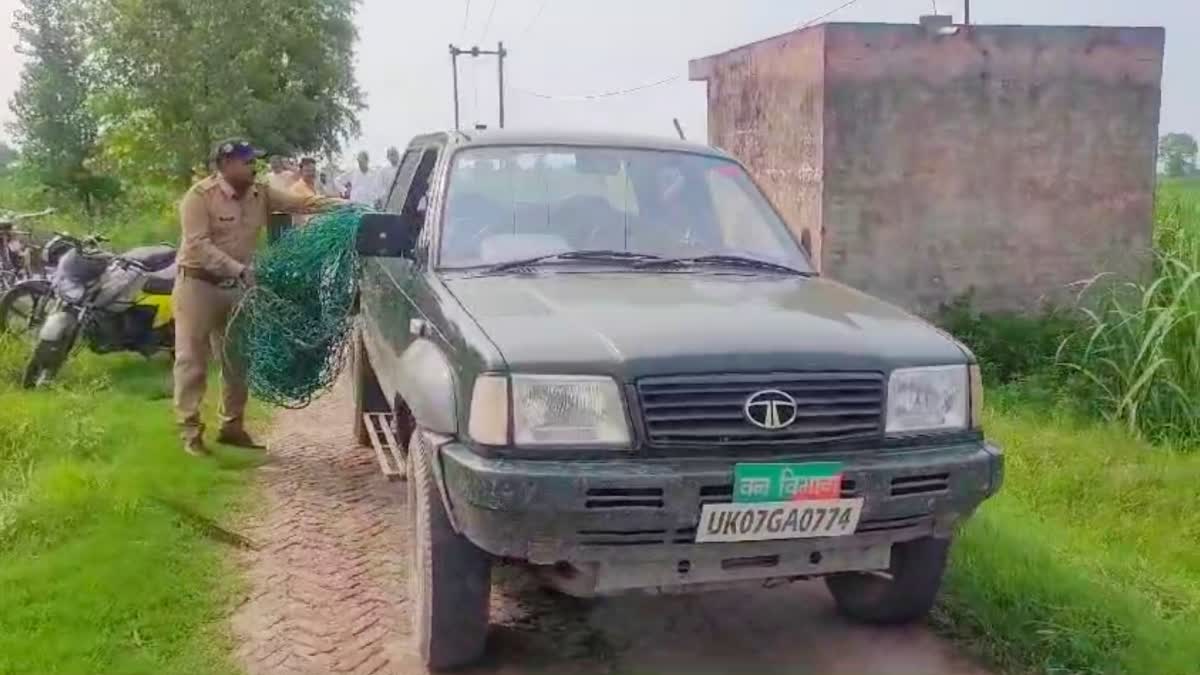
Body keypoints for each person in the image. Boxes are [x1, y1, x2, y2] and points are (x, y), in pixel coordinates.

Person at [174, 139, 343, 455]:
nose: (254, 167)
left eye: (255, 161)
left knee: (238, 360)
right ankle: (191, 433)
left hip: (237, 287)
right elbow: (197, 244)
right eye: (247, 162)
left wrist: (344, 206)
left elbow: (300, 204)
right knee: (191, 361)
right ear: (225, 165)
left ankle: (232, 427)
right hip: (198, 286)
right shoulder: (198, 197)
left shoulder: (260, 193)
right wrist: (237, 268)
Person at [291, 157, 319, 226]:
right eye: (308, 171)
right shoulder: (296, 188)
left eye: (313, 170)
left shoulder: (316, 186)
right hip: (303, 229)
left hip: (316, 225)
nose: (311, 173)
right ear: (301, 172)